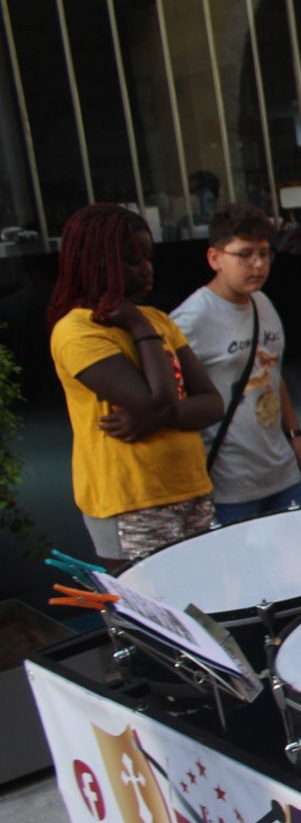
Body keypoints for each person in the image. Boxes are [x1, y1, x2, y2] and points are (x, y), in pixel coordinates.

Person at [48, 204, 223, 563]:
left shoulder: (157, 318)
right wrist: (141, 331)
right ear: (94, 262)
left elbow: (211, 404)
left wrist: (156, 413)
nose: (146, 269)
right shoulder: (76, 331)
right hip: (131, 501)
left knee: (200, 600)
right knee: (149, 609)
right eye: (131, 260)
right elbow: (157, 401)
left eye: (148, 257)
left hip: (190, 486)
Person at [170, 203, 301, 524]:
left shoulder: (262, 301)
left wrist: (295, 433)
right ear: (214, 258)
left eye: (264, 253)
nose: (258, 264)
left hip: (282, 470)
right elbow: (171, 398)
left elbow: (273, 372)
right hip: (230, 482)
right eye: (245, 254)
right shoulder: (190, 319)